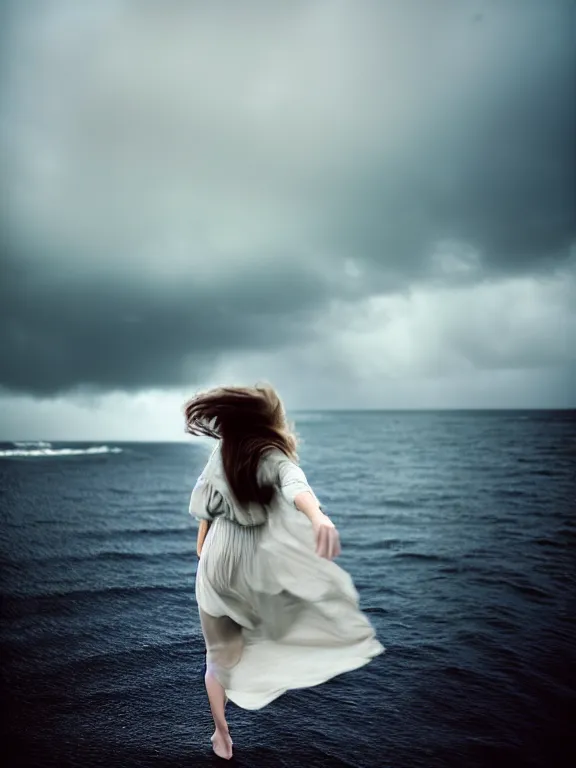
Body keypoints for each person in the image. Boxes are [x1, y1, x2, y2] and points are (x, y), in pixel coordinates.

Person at [184, 384, 384, 760]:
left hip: (216, 557)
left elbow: (205, 503)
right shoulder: (272, 454)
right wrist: (317, 516)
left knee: (216, 655)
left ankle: (221, 736)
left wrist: (204, 545)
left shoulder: (221, 451)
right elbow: (295, 485)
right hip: (252, 557)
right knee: (277, 621)